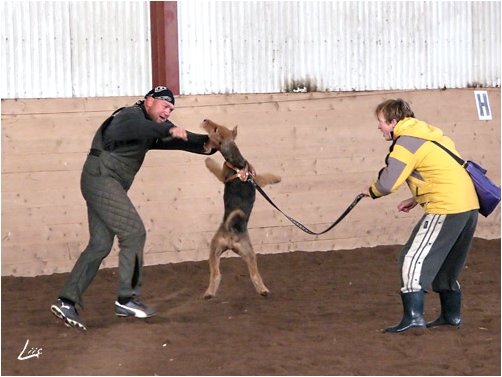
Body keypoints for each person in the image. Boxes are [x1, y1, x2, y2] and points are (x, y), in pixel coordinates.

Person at [51, 86, 216, 330]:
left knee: (99, 244)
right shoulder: (129, 116)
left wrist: (213, 144)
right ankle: (127, 299)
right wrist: (168, 128)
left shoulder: (152, 128)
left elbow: (181, 140)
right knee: (134, 232)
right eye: (164, 105)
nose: (168, 111)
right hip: (101, 179)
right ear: (149, 101)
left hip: (103, 183)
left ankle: (66, 301)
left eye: (171, 109)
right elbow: (141, 128)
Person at [368, 98, 479, 333]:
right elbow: (442, 172)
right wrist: (416, 199)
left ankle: (414, 317)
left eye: (381, 122)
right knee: (447, 262)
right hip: (468, 206)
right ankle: (451, 315)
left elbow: (387, 183)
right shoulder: (432, 135)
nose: (379, 127)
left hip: (446, 206)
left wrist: (370, 192)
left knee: (411, 257)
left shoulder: (406, 142)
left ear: (394, 121)